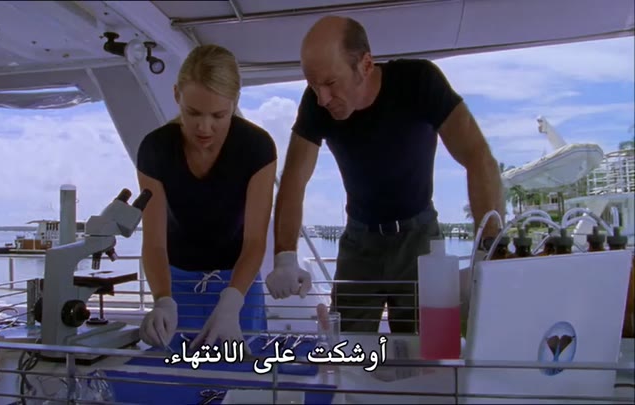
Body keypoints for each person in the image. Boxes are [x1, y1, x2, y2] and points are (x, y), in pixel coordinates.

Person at [265, 16, 504, 333]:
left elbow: (477, 156)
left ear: (365, 65)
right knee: (346, 347)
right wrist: (285, 257)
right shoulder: (316, 104)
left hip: (420, 241)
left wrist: (489, 248)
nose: (322, 98)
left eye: (331, 83)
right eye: (313, 85)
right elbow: (294, 180)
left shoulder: (419, 81)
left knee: (430, 348)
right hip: (358, 244)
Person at [136, 44, 277, 349]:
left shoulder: (257, 148)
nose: (204, 127)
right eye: (193, 113)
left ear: (234, 102)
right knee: (175, 371)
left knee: (243, 372)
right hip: (175, 286)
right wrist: (163, 300)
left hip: (239, 284)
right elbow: (155, 242)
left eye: (219, 115)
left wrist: (232, 302)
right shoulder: (155, 149)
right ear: (177, 95)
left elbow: (255, 241)